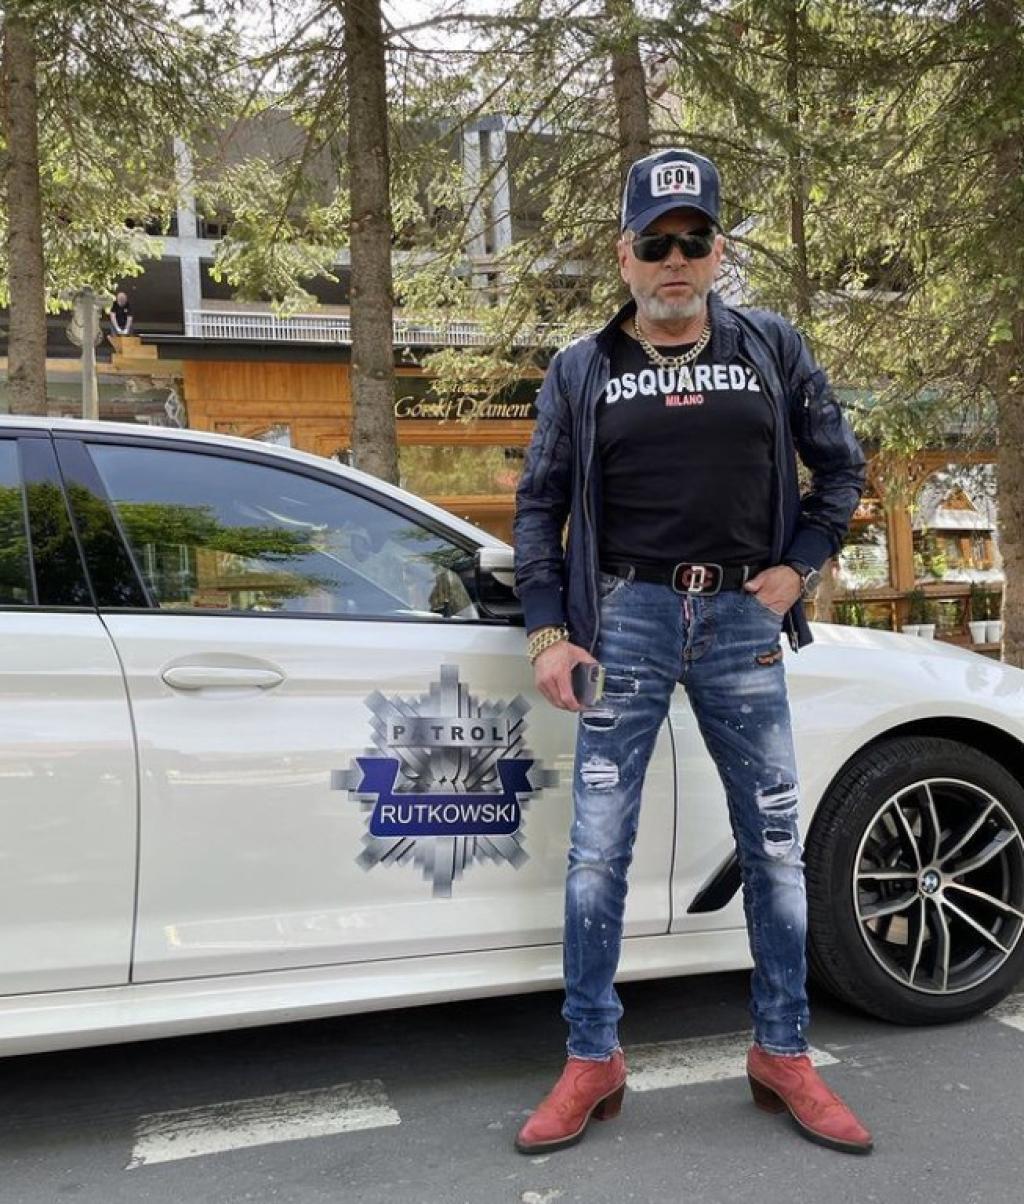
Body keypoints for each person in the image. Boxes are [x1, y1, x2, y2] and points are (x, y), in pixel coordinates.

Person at [512, 148, 871, 1156]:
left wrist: (800, 566)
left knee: (773, 845)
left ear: (717, 251)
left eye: (694, 239)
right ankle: (592, 1057)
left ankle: (782, 1052)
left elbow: (840, 469)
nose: (675, 259)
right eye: (656, 242)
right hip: (623, 616)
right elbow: (538, 504)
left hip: (742, 622)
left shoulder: (771, 346)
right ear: (624, 255)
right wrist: (548, 629)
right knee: (597, 850)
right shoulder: (582, 369)